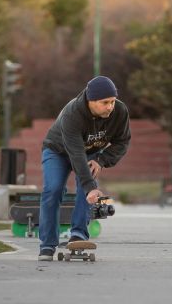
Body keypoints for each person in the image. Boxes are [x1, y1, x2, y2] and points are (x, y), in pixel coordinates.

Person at [38, 76, 131, 261]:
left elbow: (122, 142)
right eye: (105, 103)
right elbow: (76, 154)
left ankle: (78, 234)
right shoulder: (73, 114)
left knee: (87, 185)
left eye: (112, 101)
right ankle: (47, 244)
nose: (110, 107)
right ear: (91, 101)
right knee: (53, 189)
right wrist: (90, 186)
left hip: (90, 153)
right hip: (57, 151)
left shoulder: (120, 111)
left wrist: (101, 160)